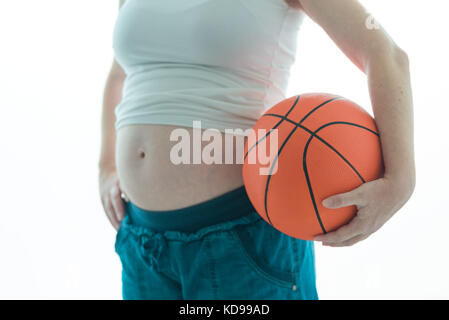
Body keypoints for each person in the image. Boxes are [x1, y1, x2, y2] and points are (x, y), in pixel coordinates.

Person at [98, 0, 415, 300]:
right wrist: (106, 166)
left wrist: (400, 181)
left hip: (244, 238)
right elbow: (119, 75)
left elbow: (384, 53)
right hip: (143, 240)